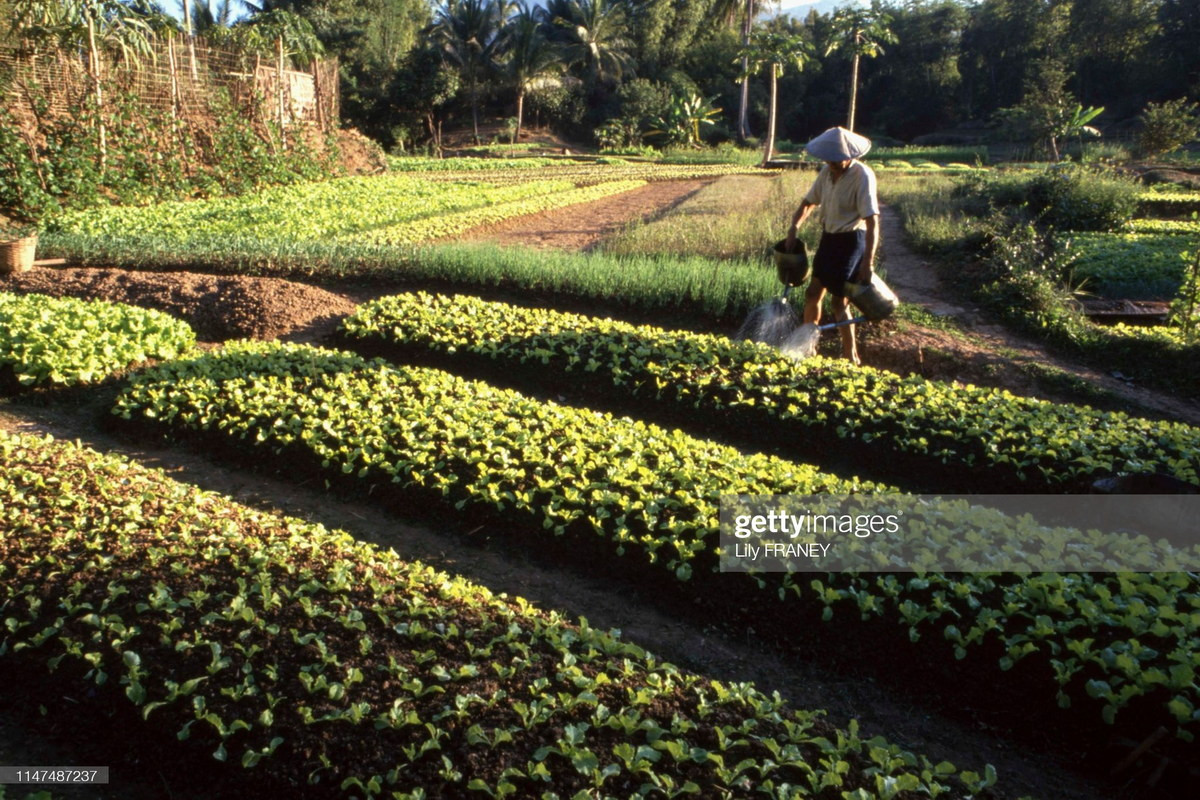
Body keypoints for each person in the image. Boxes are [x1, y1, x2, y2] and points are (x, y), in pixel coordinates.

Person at [785, 126, 880, 365]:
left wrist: (867, 263)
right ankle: (809, 348)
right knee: (812, 293)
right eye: (830, 160)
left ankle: (851, 356)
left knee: (839, 302)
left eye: (838, 160)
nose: (833, 164)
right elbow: (808, 203)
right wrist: (794, 227)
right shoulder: (826, 173)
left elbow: (872, 223)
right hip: (829, 238)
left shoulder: (863, 175)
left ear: (851, 155)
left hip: (850, 241)